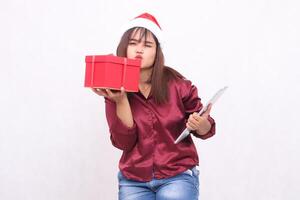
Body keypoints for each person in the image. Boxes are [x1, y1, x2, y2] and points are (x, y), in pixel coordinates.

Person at [92, 13, 215, 200]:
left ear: (157, 51)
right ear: (124, 48)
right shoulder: (113, 89)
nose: (139, 50)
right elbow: (123, 143)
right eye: (133, 43)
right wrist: (121, 100)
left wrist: (201, 124)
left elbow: (206, 128)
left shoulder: (179, 85)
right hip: (133, 180)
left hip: (177, 176)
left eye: (147, 45)